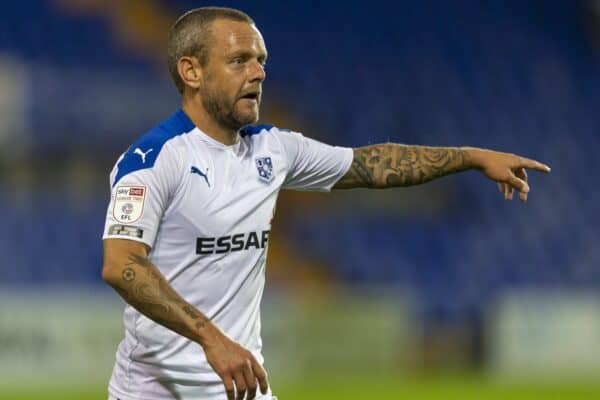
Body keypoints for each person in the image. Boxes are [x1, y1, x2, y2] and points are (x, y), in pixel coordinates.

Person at [101, 6, 551, 400]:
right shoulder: (152, 160)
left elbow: (370, 164)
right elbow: (122, 264)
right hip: (152, 386)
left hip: (234, 385)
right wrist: (210, 339)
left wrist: (470, 157)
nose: (257, 73)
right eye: (239, 60)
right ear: (191, 72)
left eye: (261, 61)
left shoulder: (273, 150)